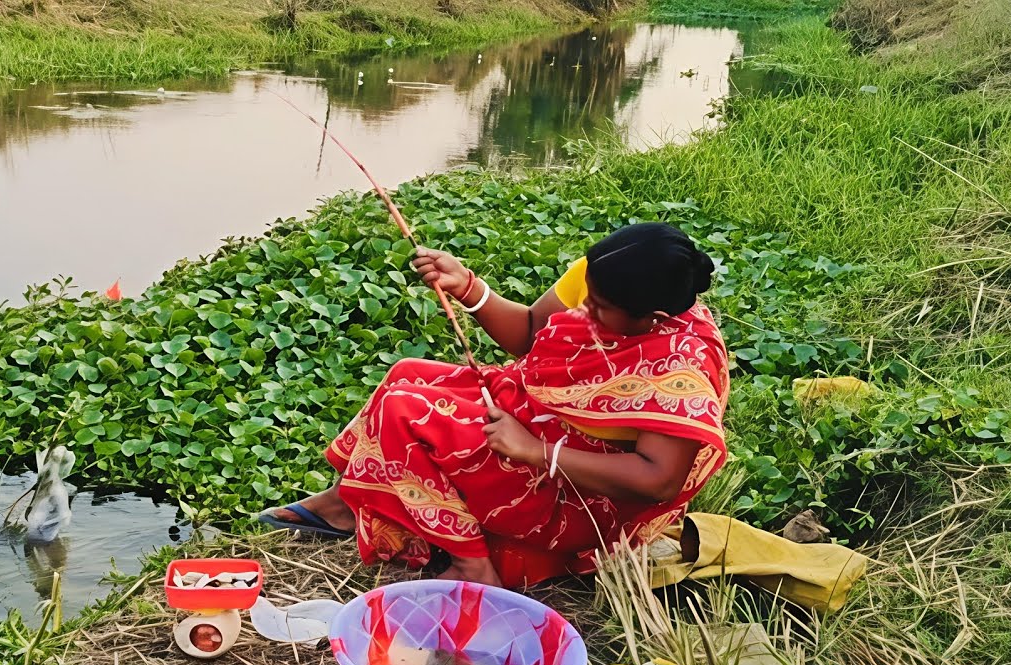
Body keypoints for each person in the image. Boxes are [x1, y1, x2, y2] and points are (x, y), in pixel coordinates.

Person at [259, 222, 730, 586]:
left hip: (578, 492)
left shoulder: (681, 365)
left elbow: (658, 479)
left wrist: (536, 451)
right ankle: (347, 502)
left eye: (601, 309)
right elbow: (528, 332)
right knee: (407, 375)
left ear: (656, 319)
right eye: (589, 295)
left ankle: (473, 567)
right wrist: (467, 286)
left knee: (406, 412)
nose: (585, 311)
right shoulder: (600, 279)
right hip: (538, 421)